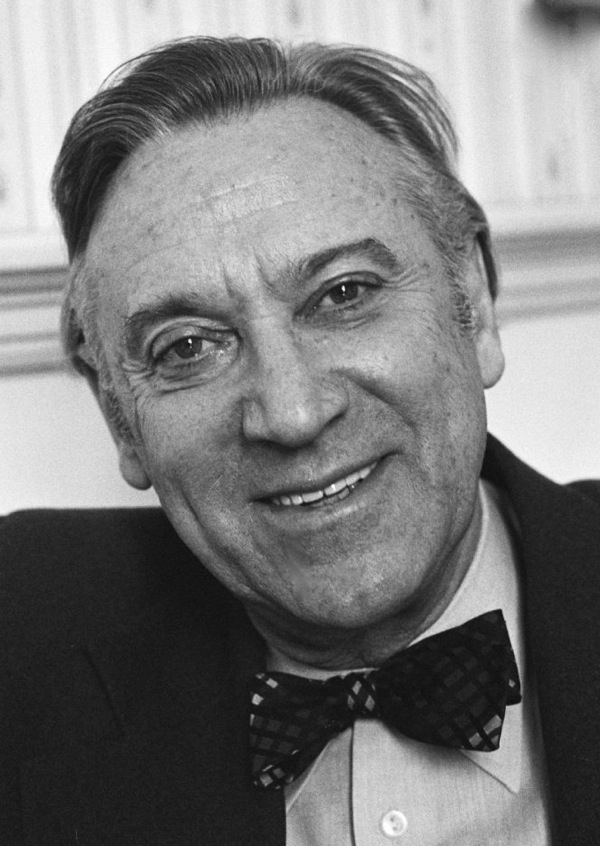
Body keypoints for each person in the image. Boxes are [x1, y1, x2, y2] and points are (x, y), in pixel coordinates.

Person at [1, 36, 599, 846]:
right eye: (188, 346)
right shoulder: (23, 638)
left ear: (476, 306)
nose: (291, 413)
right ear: (119, 418)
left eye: (343, 294)